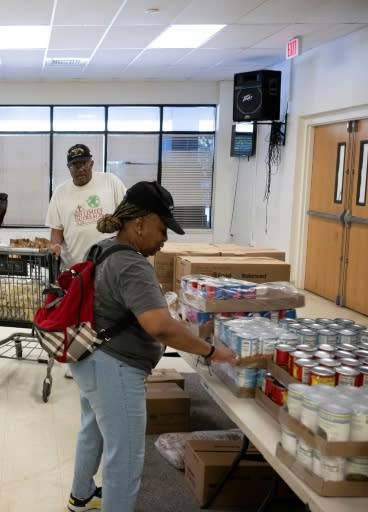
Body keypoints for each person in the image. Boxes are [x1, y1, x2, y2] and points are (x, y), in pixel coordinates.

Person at [66, 181, 238, 512]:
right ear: (139, 223)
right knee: (126, 455)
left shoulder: (103, 247)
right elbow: (159, 326)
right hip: (115, 368)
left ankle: (81, 495)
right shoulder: (132, 264)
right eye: (161, 229)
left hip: (89, 358)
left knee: (93, 431)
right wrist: (213, 352)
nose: (164, 240)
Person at [46, 143, 127, 378]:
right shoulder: (61, 193)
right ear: (68, 168)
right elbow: (56, 230)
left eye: (84, 163)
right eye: (74, 165)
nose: (80, 169)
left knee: (110, 310)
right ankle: (78, 357)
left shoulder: (110, 182)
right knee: (80, 314)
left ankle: (112, 356)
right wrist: (55, 246)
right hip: (76, 266)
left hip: (110, 262)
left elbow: (127, 213)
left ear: (92, 163)